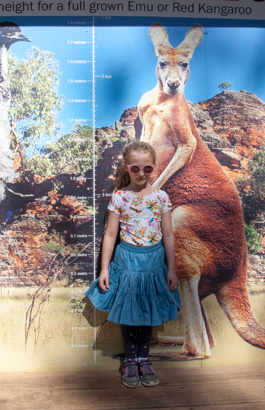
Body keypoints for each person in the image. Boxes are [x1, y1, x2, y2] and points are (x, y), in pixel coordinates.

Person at [85, 141, 181, 388]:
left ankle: (144, 358)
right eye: (135, 168)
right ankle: (130, 359)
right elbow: (109, 234)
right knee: (129, 311)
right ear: (127, 168)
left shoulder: (161, 197)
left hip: (153, 263)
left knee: (148, 312)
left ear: (154, 168)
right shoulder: (120, 197)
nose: (141, 173)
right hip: (127, 262)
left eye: (147, 168)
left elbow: (168, 234)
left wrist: (171, 268)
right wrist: (104, 268)